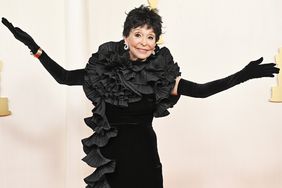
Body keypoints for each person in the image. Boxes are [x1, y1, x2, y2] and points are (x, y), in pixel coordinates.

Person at [2, 5, 279, 188]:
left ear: (156, 42)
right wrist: (33, 46)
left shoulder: (161, 76)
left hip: (145, 157)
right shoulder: (103, 72)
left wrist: (244, 74)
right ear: (126, 37)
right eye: (138, 34)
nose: (145, 42)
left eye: (151, 37)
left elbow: (203, 91)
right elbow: (63, 76)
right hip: (114, 159)